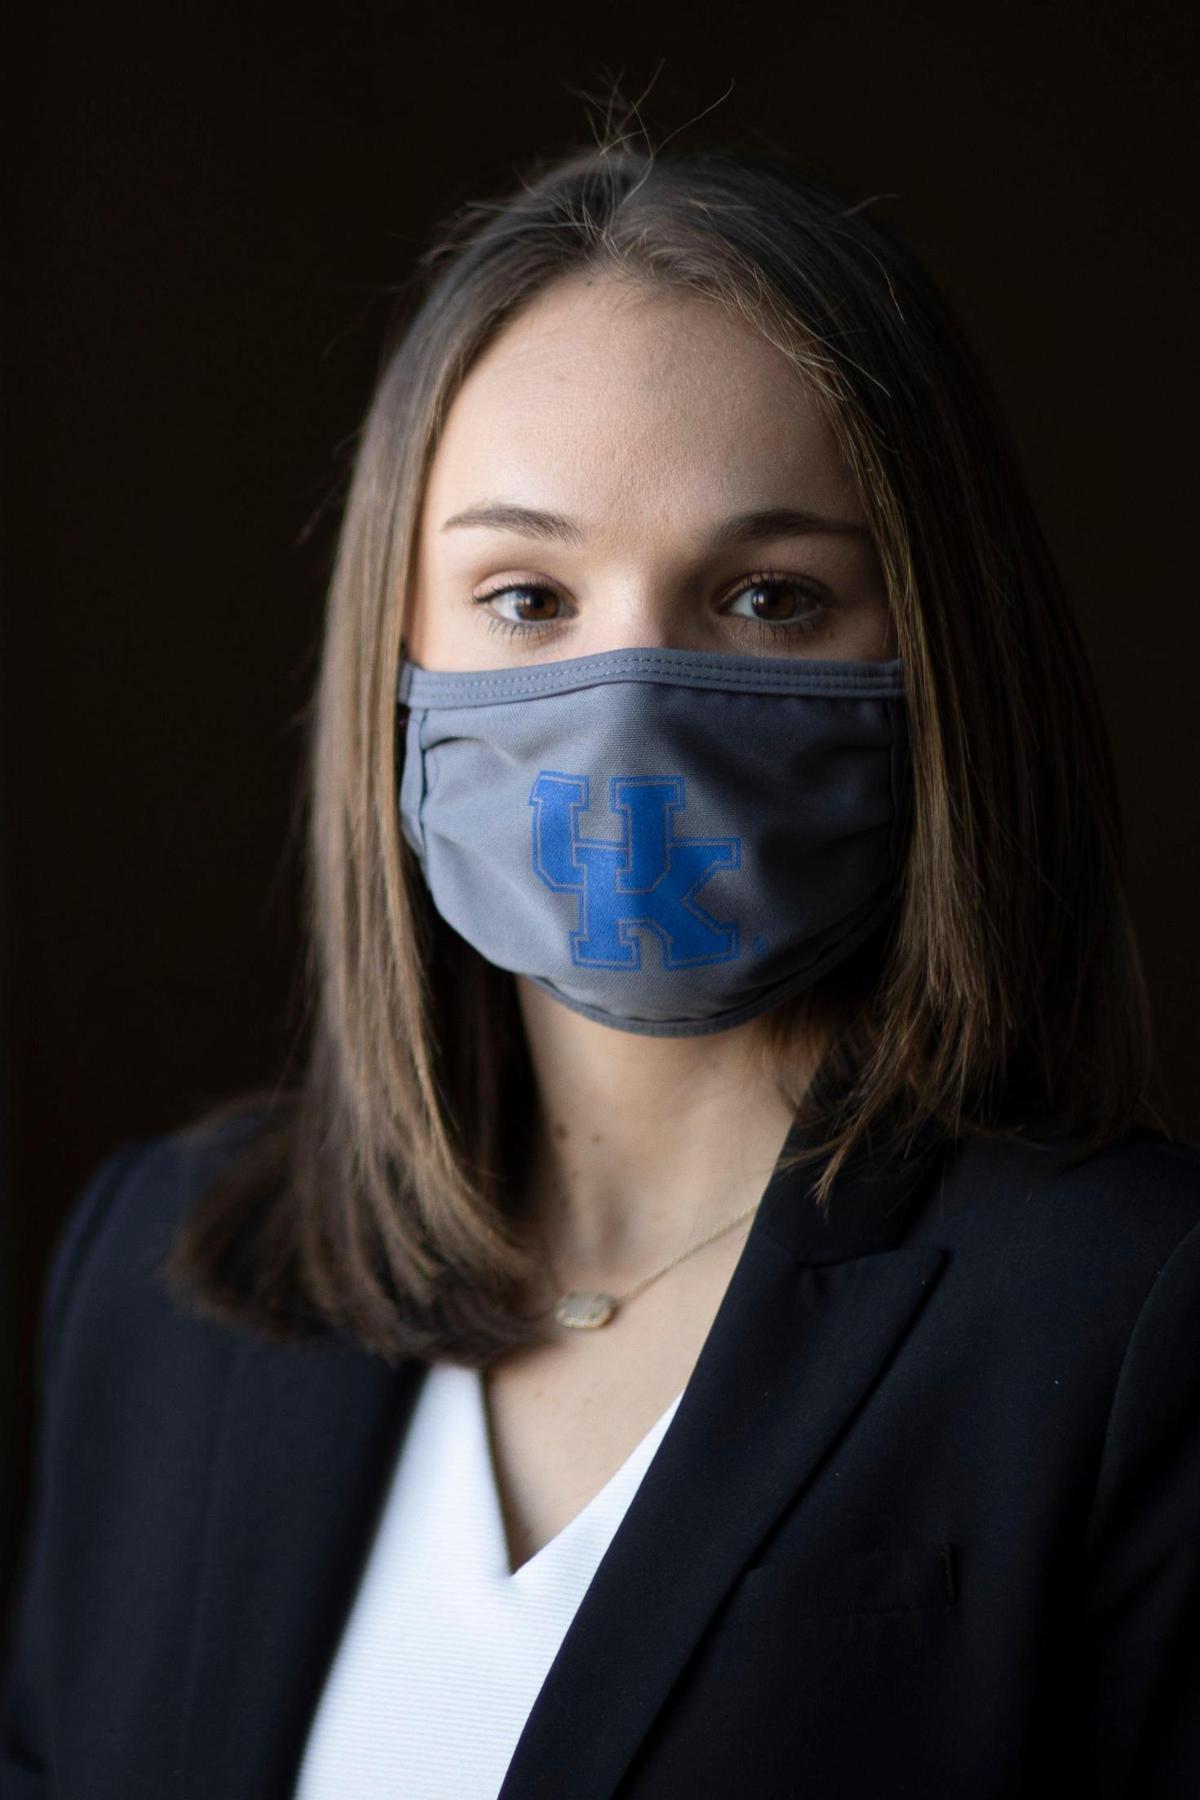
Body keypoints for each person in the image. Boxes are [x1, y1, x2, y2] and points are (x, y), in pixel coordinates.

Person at [2, 130, 1198, 1800]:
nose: (629, 700)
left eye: (772, 597)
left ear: (941, 654)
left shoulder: (1140, 1317)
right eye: (528, 594)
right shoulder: (167, 1269)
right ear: (398, 657)